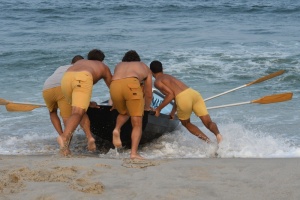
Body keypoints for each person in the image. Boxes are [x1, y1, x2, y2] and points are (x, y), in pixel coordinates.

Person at [149, 60, 223, 144]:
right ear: (162, 69)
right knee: (208, 122)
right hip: (193, 93)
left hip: (183, 98)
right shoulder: (169, 76)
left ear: (150, 71)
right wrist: (173, 112)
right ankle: (218, 135)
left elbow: (171, 95)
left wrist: (158, 109)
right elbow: (177, 94)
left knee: (186, 123)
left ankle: (209, 142)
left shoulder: (157, 82)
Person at [57, 49, 112, 156]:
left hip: (66, 78)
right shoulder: (103, 66)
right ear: (101, 60)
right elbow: (113, 87)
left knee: (79, 111)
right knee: (77, 112)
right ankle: (64, 137)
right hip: (82, 78)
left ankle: (89, 138)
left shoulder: (80, 62)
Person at [42, 55, 97, 153]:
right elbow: (79, 91)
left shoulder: (61, 67)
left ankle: (61, 135)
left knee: (52, 112)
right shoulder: (79, 69)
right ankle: (66, 147)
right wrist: (88, 103)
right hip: (61, 89)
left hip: (47, 89)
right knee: (70, 118)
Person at [110, 50, 152, 159]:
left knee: (125, 112)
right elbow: (148, 92)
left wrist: (114, 103)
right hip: (131, 85)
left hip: (114, 86)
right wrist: (147, 107)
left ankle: (117, 129)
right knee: (137, 123)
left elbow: (117, 81)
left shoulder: (119, 65)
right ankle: (133, 153)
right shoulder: (143, 66)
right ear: (138, 60)